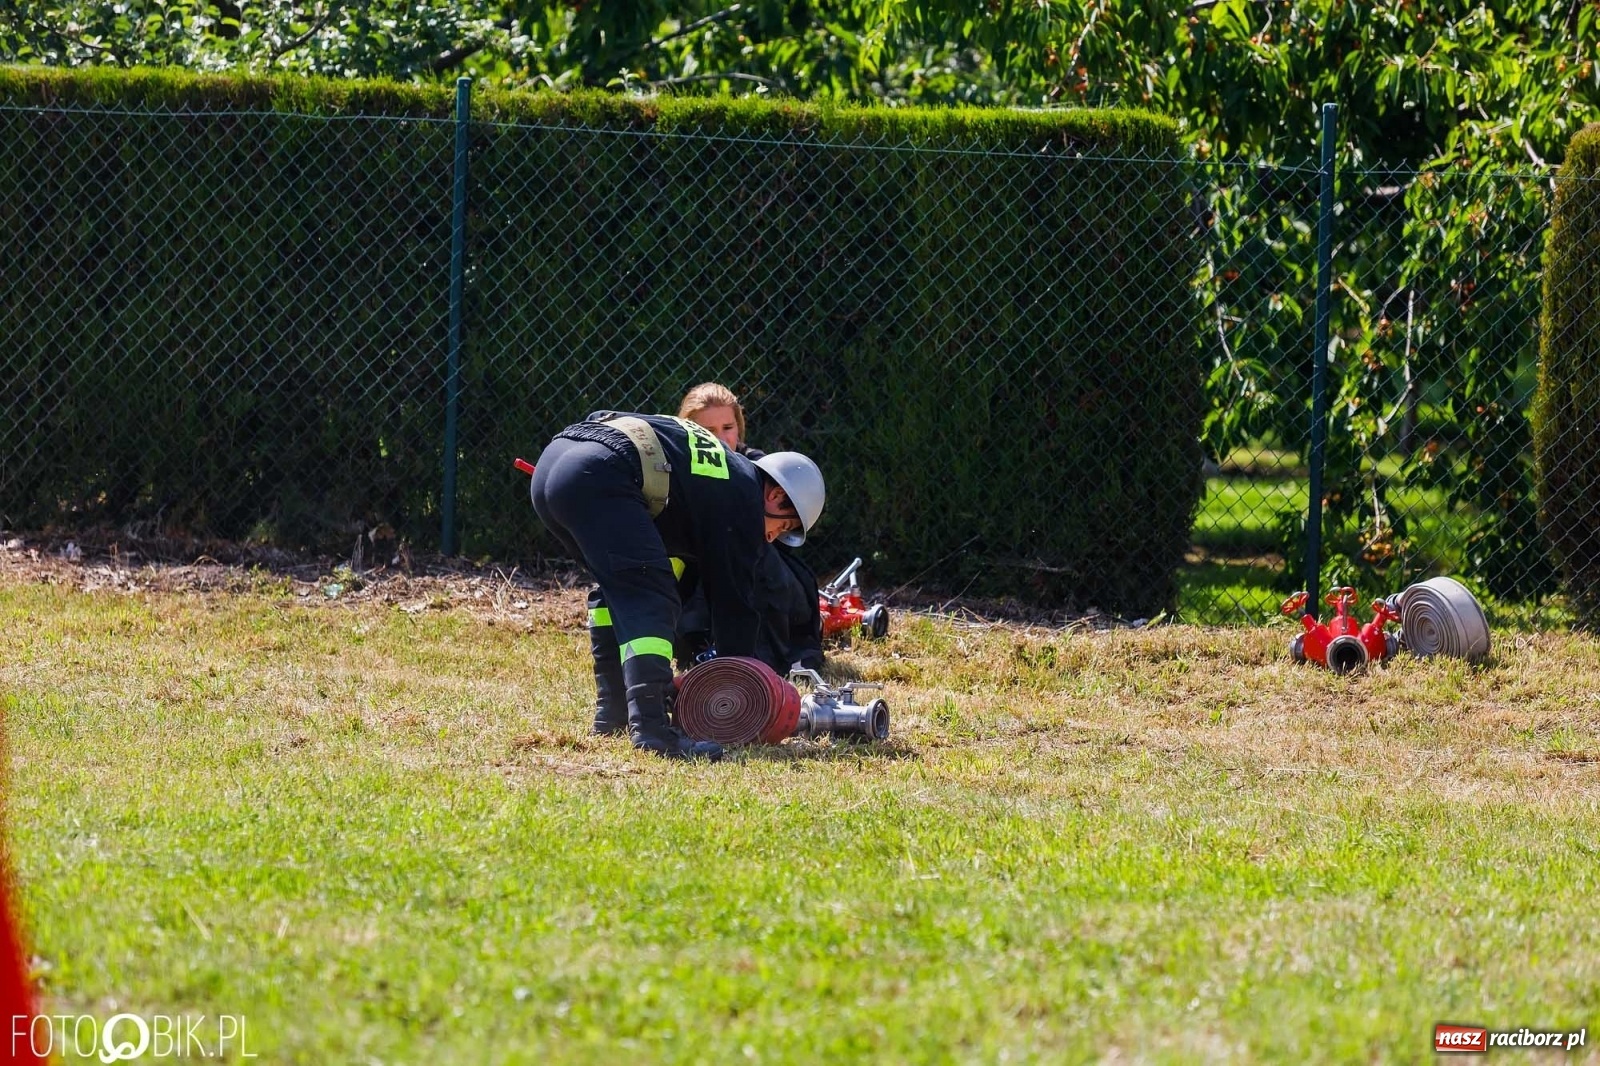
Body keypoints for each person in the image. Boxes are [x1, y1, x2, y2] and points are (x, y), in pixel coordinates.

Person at [530, 410, 825, 760]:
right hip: (602, 474)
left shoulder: (719, 477)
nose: (774, 537)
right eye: (784, 526)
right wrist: (740, 686)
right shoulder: (745, 497)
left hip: (558, 462)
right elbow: (735, 604)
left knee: (620, 589)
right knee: (650, 598)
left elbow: (683, 575)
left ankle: (614, 714)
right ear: (775, 496)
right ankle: (653, 731)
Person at [675, 383, 825, 675]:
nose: (720, 439)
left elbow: (776, 536)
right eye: (708, 430)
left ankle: (765, 657)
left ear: (740, 429)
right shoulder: (676, 473)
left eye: (728, 427)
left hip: (765, 577)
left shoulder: (761, 470)